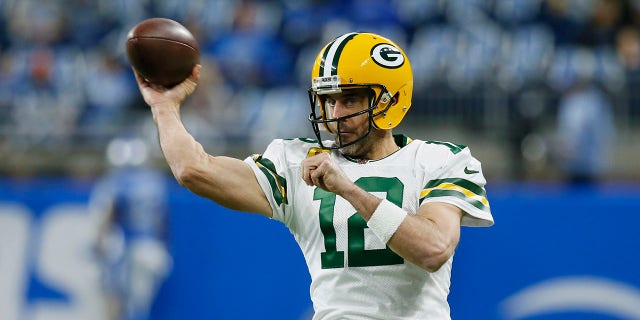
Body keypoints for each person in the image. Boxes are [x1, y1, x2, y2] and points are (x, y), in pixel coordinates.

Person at [134, 32, 494, 319]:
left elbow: (433, 249)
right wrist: (165, 107)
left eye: (350, 99)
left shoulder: (439, 160)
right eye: (328, 99)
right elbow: (195, 170)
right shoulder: (297, 162)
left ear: (389, 101)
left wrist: (349, 190)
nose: (336, 113)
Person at [89, 136, 172, 320]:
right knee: (141, 304)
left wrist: (99, 239)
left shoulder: (119, 182)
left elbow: (109, 212)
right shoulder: (156, 182)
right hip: (153, 247)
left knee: (116, 297)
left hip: (128, 246)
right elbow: (163, 222)